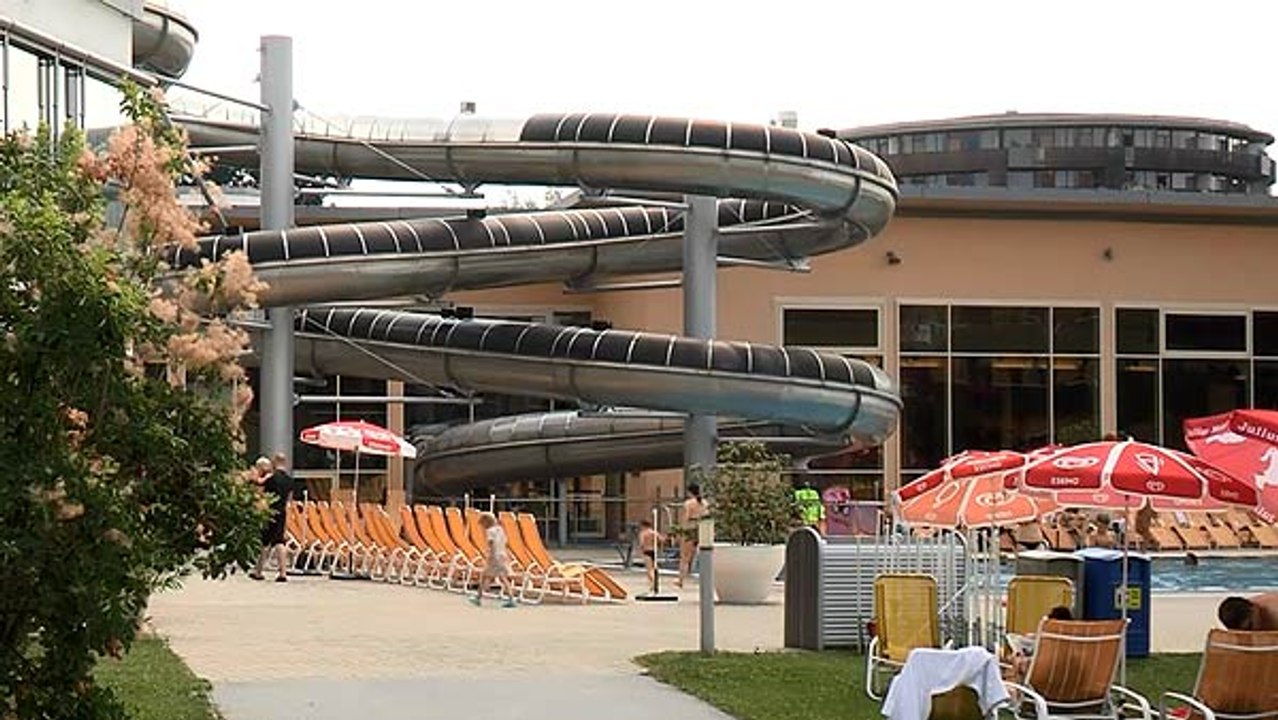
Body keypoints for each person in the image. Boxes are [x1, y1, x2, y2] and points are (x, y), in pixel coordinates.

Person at [250, 452, 293, 582]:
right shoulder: (289, 480)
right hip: (282, 511)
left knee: (264, 542)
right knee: (280, 541)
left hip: (269, 511)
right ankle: (283, 573)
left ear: (275, 462)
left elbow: (258, 484)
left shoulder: (271, 478)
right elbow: (289, 499)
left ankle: (258, 571)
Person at [469, 512, 517, 608]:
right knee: (499, 577)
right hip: (502, 554)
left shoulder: (490, 531)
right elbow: (505, 542)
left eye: (482, 524)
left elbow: (491, 543)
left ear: (486, 523)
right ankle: (480, 596)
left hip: (494, 557)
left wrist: (488, 555)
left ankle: (479, 597)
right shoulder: (500, 529)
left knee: (487, 576)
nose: (482, 527)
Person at [675, 483, 707, 589]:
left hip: (690, 528)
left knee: (685, 556)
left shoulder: (689, 503)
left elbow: (686, 517)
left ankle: (681, 579)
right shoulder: (704, 503)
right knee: (703, 554)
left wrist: (681, 531)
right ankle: (705, 578)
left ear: (689, 492)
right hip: (701, 528)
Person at [636, 519, 665, 592]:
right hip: (654, 550)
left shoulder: (643, 533)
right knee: (654, 568)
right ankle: (654, 583)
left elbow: (641, 543)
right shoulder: (654, 532)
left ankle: (652, 584)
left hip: (647, 551)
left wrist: (639, 551)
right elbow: (661, 539)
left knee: (649, 569)